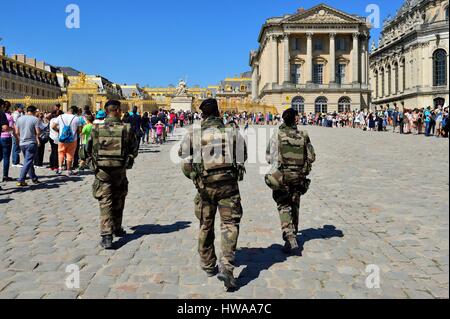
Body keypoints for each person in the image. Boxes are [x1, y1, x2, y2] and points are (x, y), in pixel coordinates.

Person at [178, 98, 247, 291]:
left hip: (205, 187)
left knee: (205, 225)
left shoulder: (193, 132)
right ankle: (227, 266)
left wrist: (193, 174)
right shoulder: (232, 131)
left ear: (202, 115)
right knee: (230, 225)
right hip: (228, 187)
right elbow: (243, 155)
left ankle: (208, 264)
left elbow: (183, 155)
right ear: (218, 113)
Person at [84, 100, 139, 250]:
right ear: (117, 110)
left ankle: (107, 236)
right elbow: (134, 149)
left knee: (105, 200)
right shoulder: (126, 128)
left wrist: (91, 164)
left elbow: (85, 150)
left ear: (106, 111)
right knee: (119, 197)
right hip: (120, 169)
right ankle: (117, 227)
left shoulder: (96, 128)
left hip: (102, 171)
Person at [265, 108, 316, 254]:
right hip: (299, 176)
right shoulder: (303, 135)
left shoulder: (277, 134)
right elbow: (312, 156)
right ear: (294, 119)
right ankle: (293, 235)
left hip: (283, 176)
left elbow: (269, 157)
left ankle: (289, 235)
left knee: (283, 205)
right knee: (295, 205)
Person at [14, 105, 41, 187]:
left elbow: (17, 132)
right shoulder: (35, 119)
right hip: (31, 142)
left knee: (28, 161)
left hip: (22, 143)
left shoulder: (19, 119)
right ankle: (21, 179)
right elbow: (38, 132)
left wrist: (20, 139)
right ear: (34, 111)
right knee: (28, 161)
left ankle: (34, 178)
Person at [52, 106, 82, 176]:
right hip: (72, 139)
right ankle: (68, 170)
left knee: (61, 153)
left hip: (62, 139)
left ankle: (60, 169)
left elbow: (53, 126)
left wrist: (59, 131)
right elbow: (80, 130)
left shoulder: (60, 117)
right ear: (75, 112)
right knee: (70, 154)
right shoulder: (76, 118)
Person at [0, 100, 15, 182]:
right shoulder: (8, 116)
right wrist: (13, 130)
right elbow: (7, 128)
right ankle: (5, 176)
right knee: (6, 158)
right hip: (6, 137)